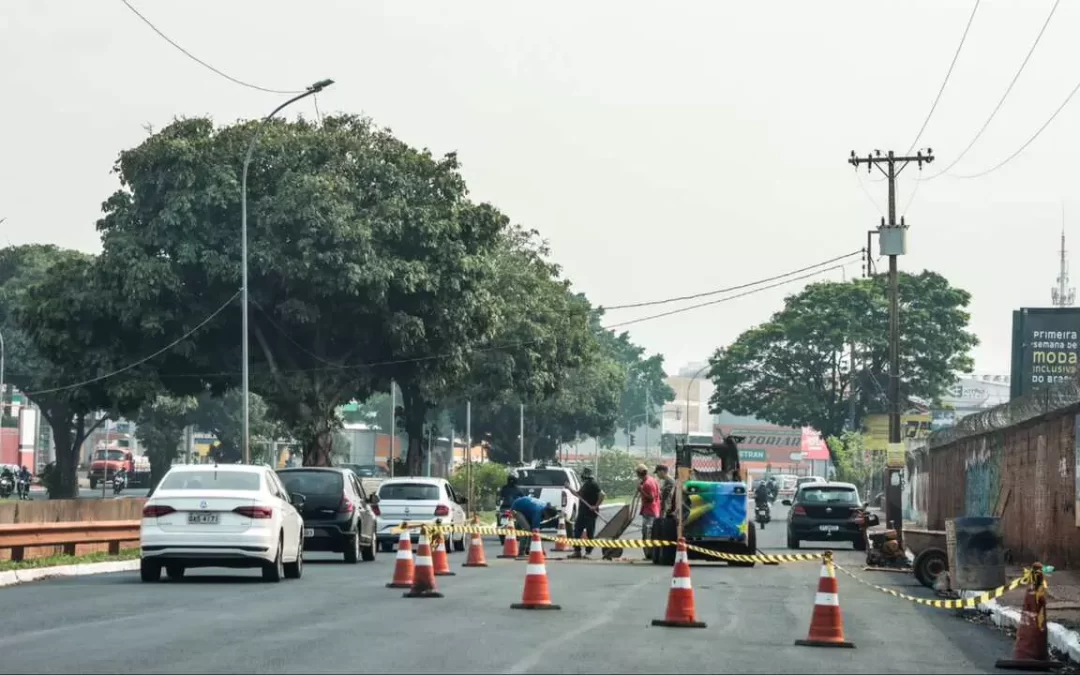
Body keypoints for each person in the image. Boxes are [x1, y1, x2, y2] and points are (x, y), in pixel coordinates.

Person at [568, 467, 605, 559]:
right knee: (577, 531)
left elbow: (602, 495)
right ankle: (577, 551)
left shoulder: (593, 484)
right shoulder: (585, 485)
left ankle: (588, 553)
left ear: (586, 476)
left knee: (590, 533)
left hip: (590, 513)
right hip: (582, 512)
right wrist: (569, 488)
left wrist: (595, 506)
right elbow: (577, 494)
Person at [636, 463, 660, 559]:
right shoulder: (652, 480)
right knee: (649, 533)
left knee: (647, 534)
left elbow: (651, 498)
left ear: (640, 473)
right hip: (652, 510)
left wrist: (641, 490)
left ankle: (649, 554)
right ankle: (649, 554)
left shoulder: (648, 484)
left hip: (650, 512)